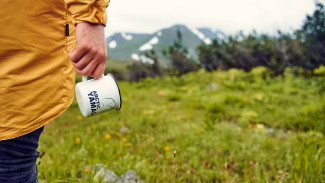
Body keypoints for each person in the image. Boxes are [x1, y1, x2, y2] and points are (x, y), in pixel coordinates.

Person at [0, 0, 110, 182]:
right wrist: (91, 16)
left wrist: (90, 16)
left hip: (20, 39)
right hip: (24, 44)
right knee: (9, 162)